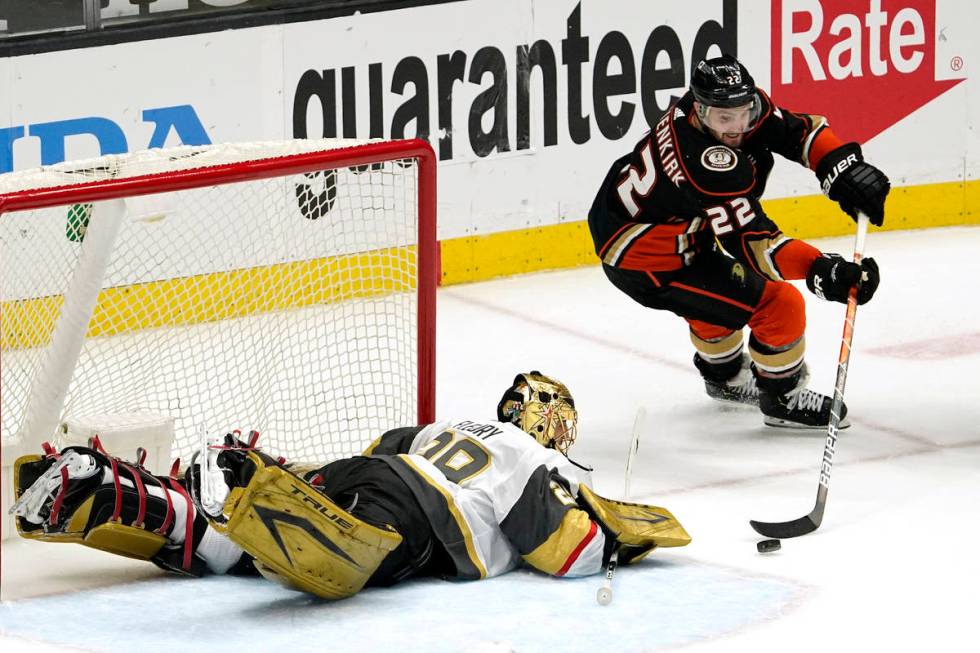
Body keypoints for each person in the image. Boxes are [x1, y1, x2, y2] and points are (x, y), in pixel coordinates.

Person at [10, 371, 690, 600]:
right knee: (335, 568)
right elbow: (562, 552)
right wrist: (620, 539)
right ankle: (233, 486)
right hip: (418, 516)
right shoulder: (529, 459)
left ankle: (120, 487)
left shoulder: (452, 424)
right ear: (551, 421)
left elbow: (378, 452)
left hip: (369, 474)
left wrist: (307, 479)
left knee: (249, 558)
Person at [588, 54, 888, 428]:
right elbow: (756, 245)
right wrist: (822, 270)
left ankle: (725, 377)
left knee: (716, 300)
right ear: (699, 110)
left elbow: (798, 133)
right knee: (779, 305)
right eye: (723, 118)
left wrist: (841, 167)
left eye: (741, 113)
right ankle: (782, 397)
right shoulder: (705, 163)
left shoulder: (724, 108)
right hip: (644, 258)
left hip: (647, 225)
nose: (736, 128)